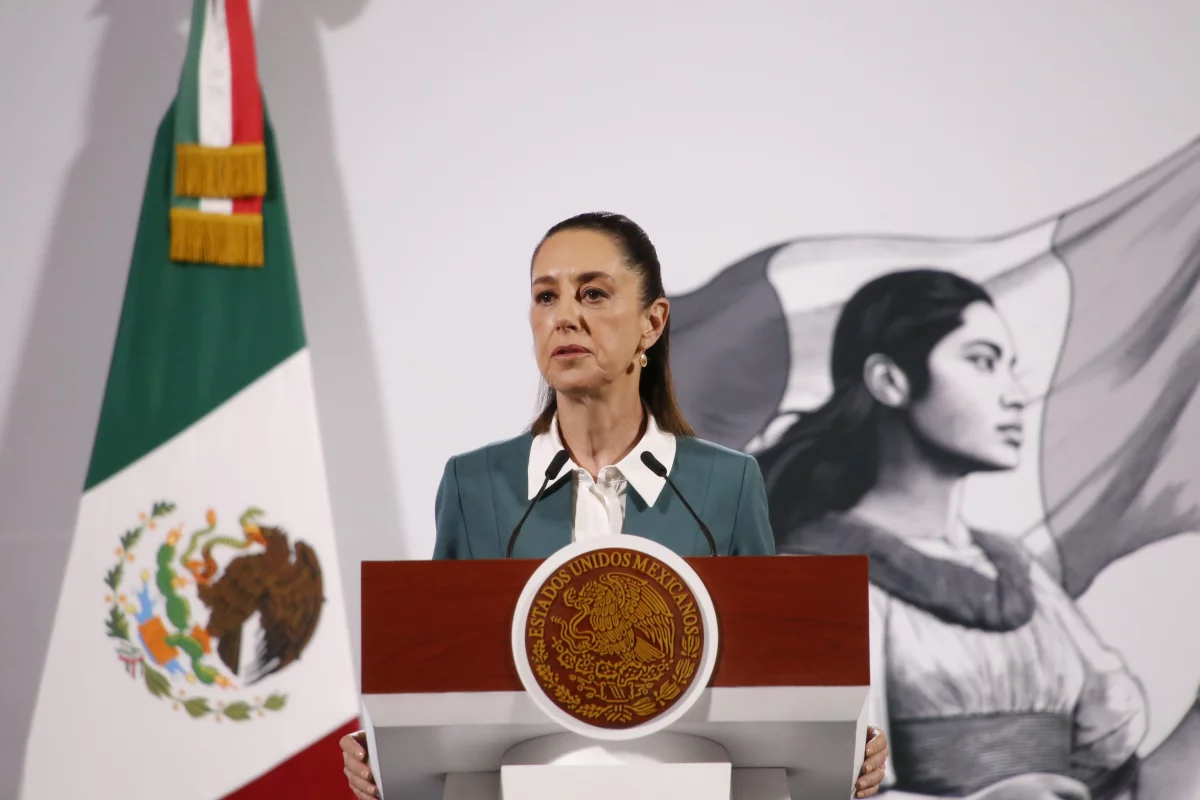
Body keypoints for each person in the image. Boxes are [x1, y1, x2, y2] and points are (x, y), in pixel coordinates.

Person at [338, 212, 890, 798]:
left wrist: (844, 744)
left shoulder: (727, 484)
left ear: (652, 322)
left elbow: (774, 674)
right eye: (545, 296)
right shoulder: (474, 486)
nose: (564, 316)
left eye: (593, 294)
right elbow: (437, 680)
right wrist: (386, 749)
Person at [754, 268, 1200, 799]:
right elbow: (812, 792)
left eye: (1012, 368)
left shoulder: (1017, 571)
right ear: (890, 381)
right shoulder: (808, 577)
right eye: (983, 362)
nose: (1016, 394)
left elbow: (1125, 787)